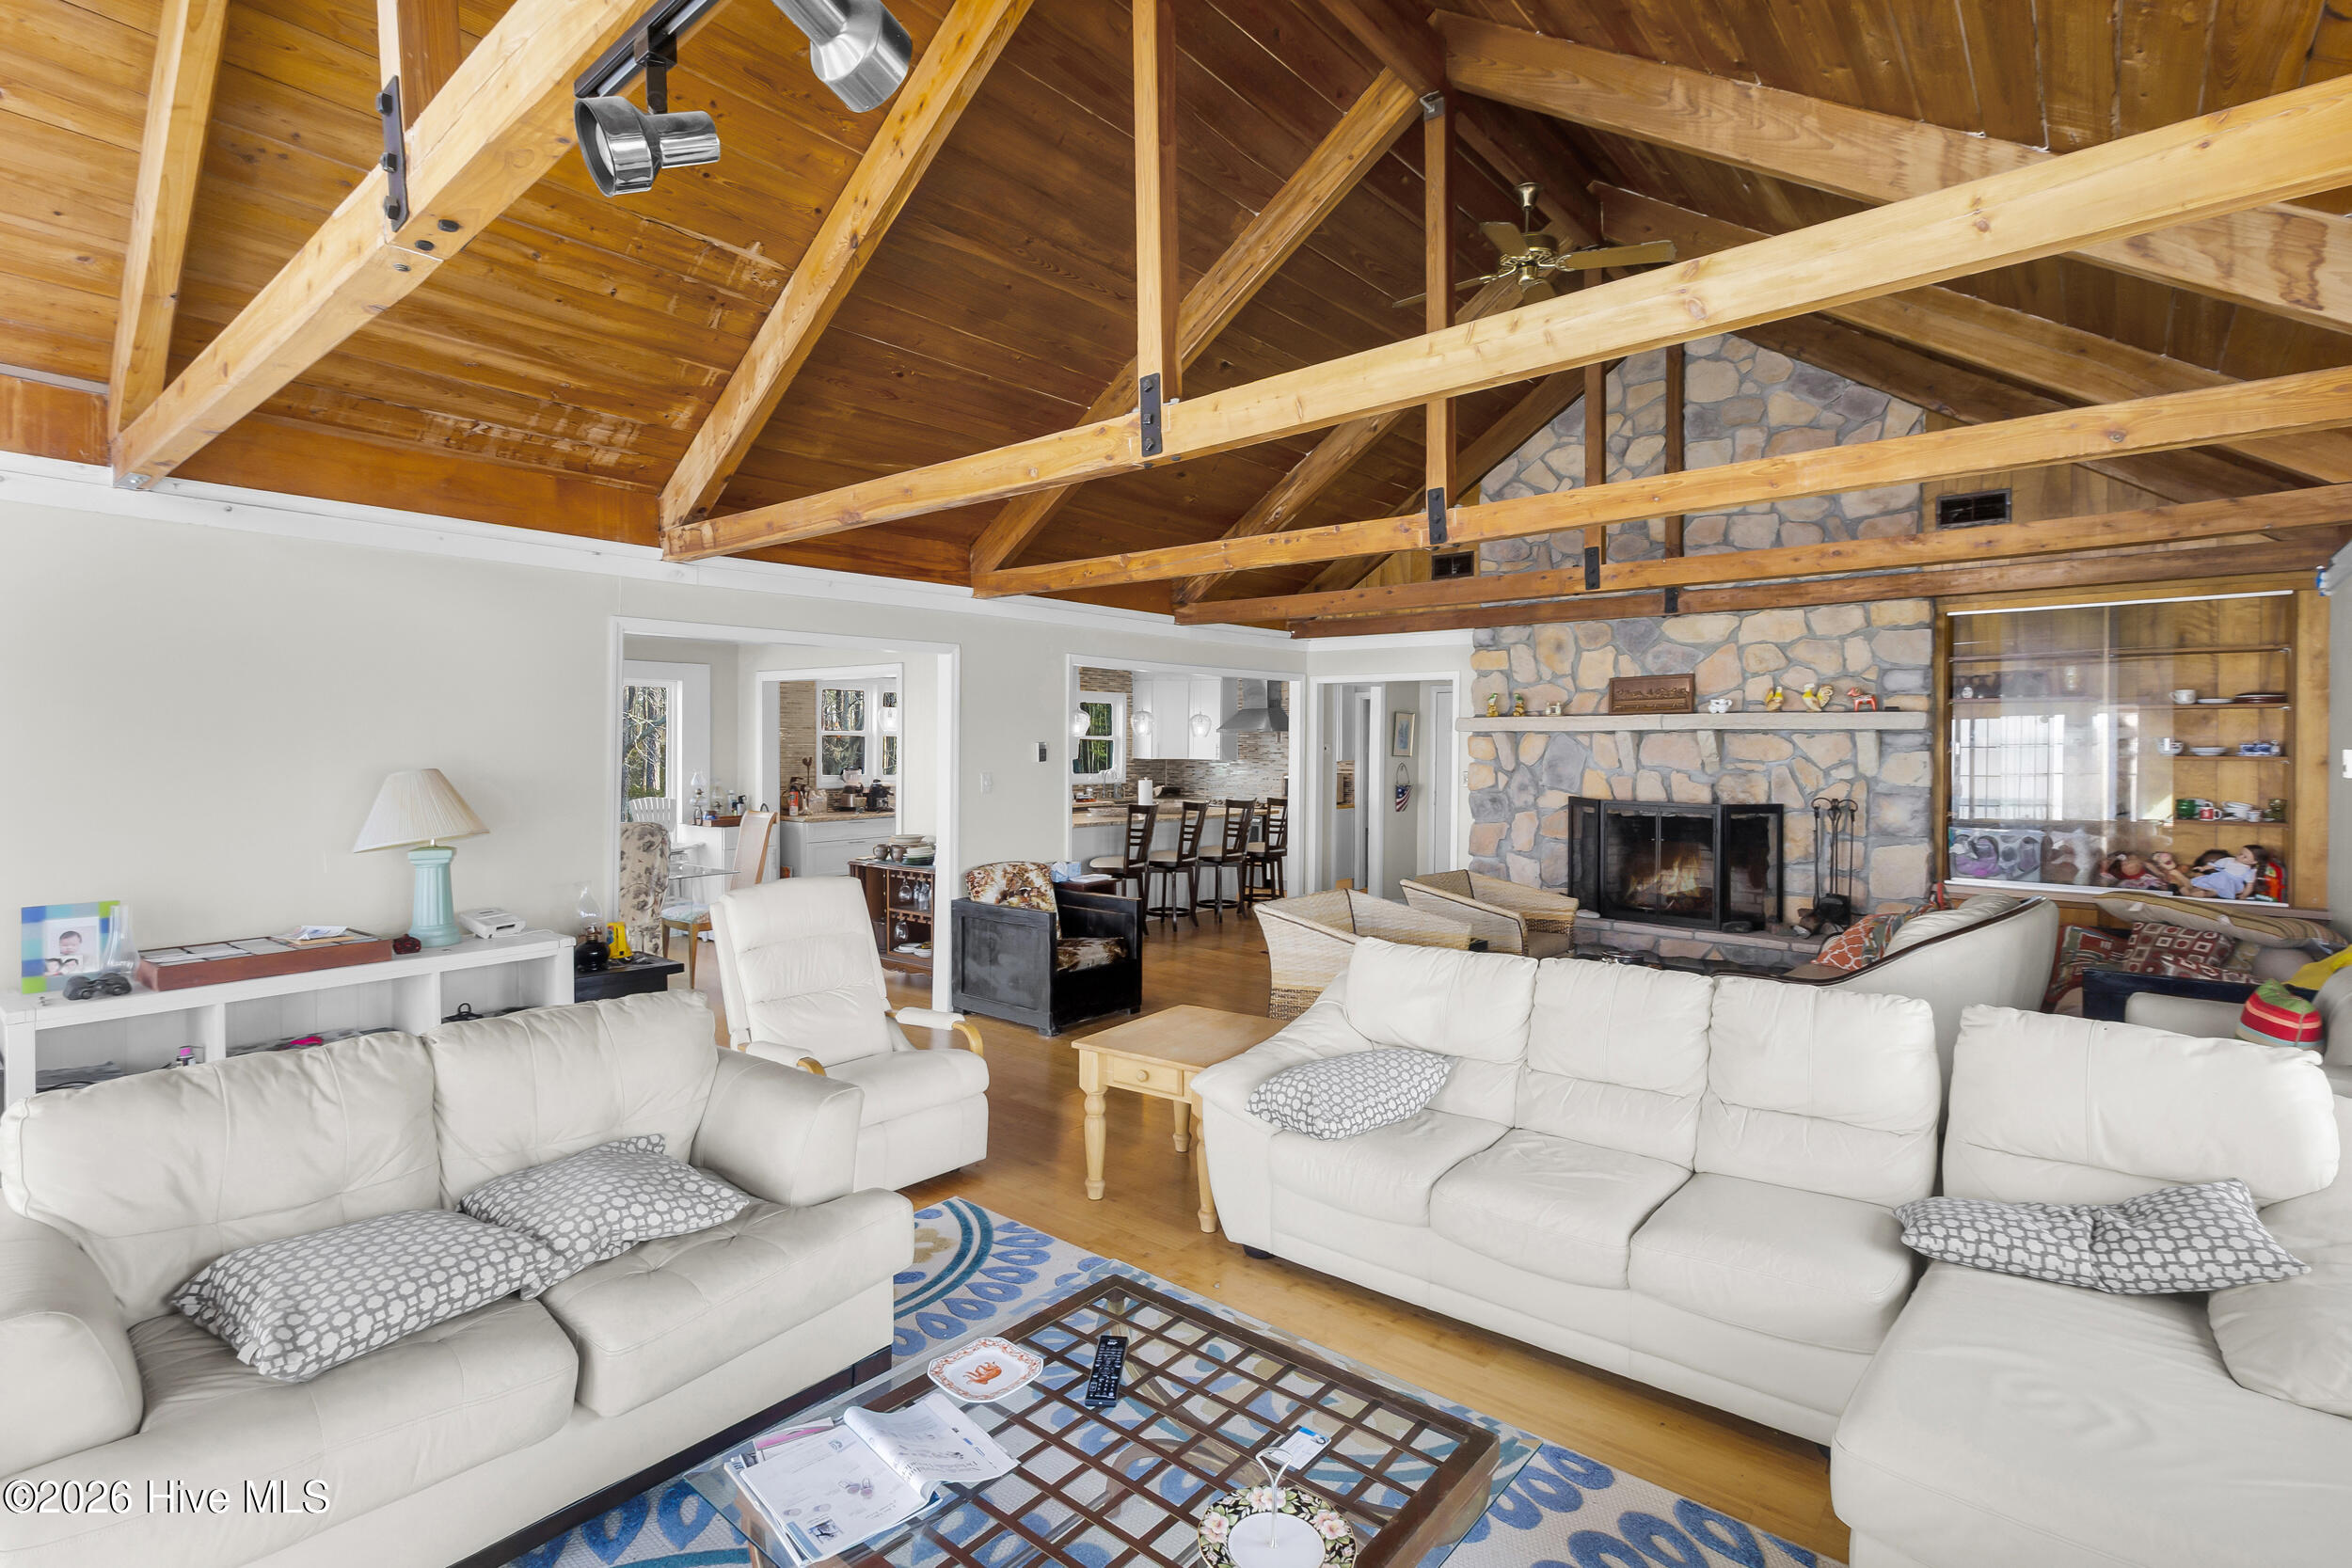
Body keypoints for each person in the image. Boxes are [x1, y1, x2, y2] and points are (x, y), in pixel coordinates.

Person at [2186, 846, 2260, 900]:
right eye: (2241, 853)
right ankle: (2191, 894)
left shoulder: (2249, 871)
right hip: (2217, 879)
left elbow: (2249, 886)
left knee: (2217, 891)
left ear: (2254, 862)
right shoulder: (2229, 861)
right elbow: (2213, 865)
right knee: (2201, 886)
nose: (2241, 856)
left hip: (2229, 885)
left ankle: (2205, 894)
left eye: (2245, 857)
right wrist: (2203, 868)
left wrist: (2244, 895)